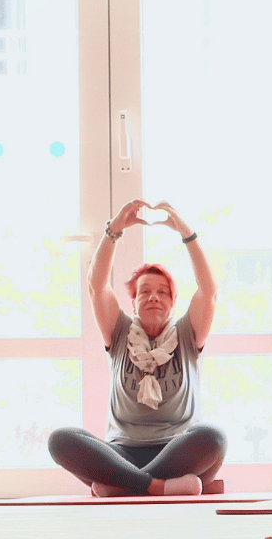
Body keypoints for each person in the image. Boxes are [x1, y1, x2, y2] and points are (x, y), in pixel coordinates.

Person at [48, 199, 226, 496]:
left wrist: (187, 233)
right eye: (145, 291)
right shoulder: (118, 331)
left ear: (172, 302)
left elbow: (208, 290)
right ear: (133, 302)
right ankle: (155, 486)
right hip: (121, 452)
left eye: (162, 292)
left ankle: (121, 485)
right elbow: (96, 285)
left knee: (213, 438)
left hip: (176, 450)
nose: (154, 297)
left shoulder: (186, 333)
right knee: (61, 439)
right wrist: (114, 230)